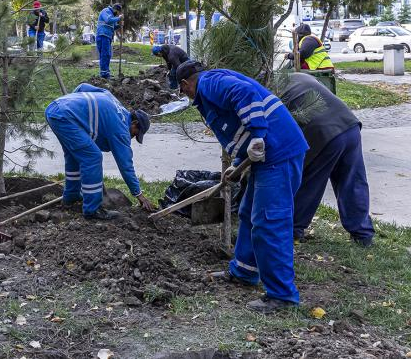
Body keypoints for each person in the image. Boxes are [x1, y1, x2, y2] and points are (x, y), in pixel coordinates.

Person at [175, 60, 309, 314]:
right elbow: (237, 129)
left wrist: (258, 134)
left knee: (270, 221)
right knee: (248, 214)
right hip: (265, 156)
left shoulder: (209, 82)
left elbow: (243, 93)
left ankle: (282, 296)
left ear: (185, 83)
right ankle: (244, 272)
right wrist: (236, 164)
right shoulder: (209, 88)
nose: (186, 96)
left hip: (278, 152)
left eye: (182, 91)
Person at [279, 72, 374, 246]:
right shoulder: (299, 76)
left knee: (309, 182)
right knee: (353, 181)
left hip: (324, 134)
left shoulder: (271, 92)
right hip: (349, 125)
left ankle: (293, 229)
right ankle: (363, 234)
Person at [45, 83, 157, 220]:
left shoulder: (114, 101)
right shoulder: (121, 130)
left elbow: (82, 87)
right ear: (134, 124)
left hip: (56, 108)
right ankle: (92, 210)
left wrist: (71, 103)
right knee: (92, 157)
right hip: (65, 117)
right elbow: (126, 166)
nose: (132, 137)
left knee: (74, 155)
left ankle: (71, 196)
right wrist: (139, 195)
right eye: (135, 134)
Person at [97, 3, 123, 79]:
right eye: (118, 13)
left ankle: (106, 72)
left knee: (108, 54)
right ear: (115, 9)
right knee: (104, 54)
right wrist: (119, 18)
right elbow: (108, 20)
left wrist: (120, 25)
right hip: (102, 35)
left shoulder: (112, 15)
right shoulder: (106, 11)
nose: (118, 15)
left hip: (108, 36)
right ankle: (104, 74)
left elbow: (113, 26)